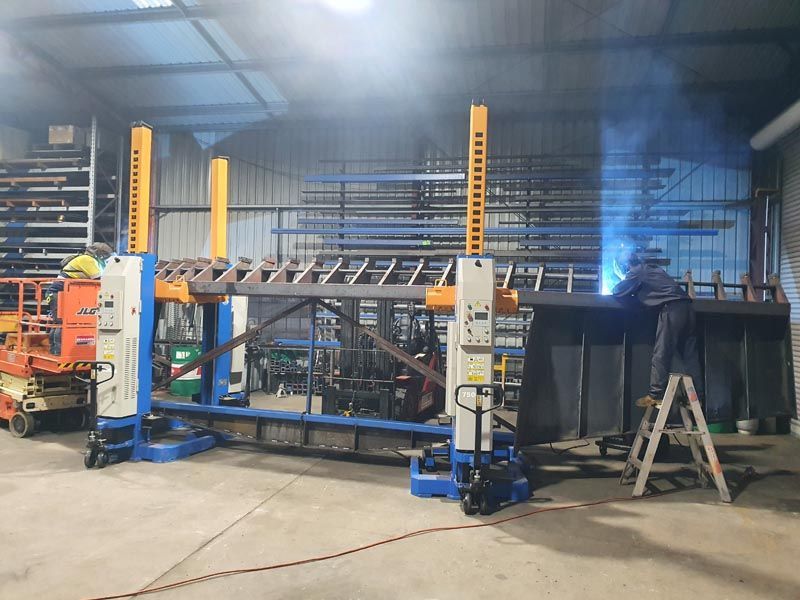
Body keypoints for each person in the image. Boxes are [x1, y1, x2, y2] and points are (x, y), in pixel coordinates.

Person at [611, 249, 703, 407]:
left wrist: (623, 283)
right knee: (690, 356)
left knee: (662, 352)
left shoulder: (638, 271)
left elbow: (618, 290)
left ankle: (656, 394)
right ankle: (696, 397)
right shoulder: (653, 269)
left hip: (671, 310)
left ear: (625, 265)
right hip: (687, 309)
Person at [46, 243, 114, 355]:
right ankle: (58, 351)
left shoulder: (87, 259)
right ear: (100, 254)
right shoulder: (88, 260)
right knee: (61, 322)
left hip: (63, 292)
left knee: (59, 322)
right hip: (59, 292)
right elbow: (99, 279)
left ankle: (56, 350)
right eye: (105, 256)